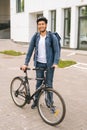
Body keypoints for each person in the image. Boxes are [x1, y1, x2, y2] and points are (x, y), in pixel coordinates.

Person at [21, 16, 60, 109]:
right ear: (37, 26)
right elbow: (30, 51)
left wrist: (55, 62)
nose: (41, 26)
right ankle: (36, 101)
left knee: (49, 84)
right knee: (39, 84)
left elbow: (56, 51)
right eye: (39, 24)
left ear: (46, 25)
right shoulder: (35, 36)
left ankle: (50, 103)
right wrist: (25, 63)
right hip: (39, 64)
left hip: (50, 65)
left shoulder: (52, 37)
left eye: (42, 24)